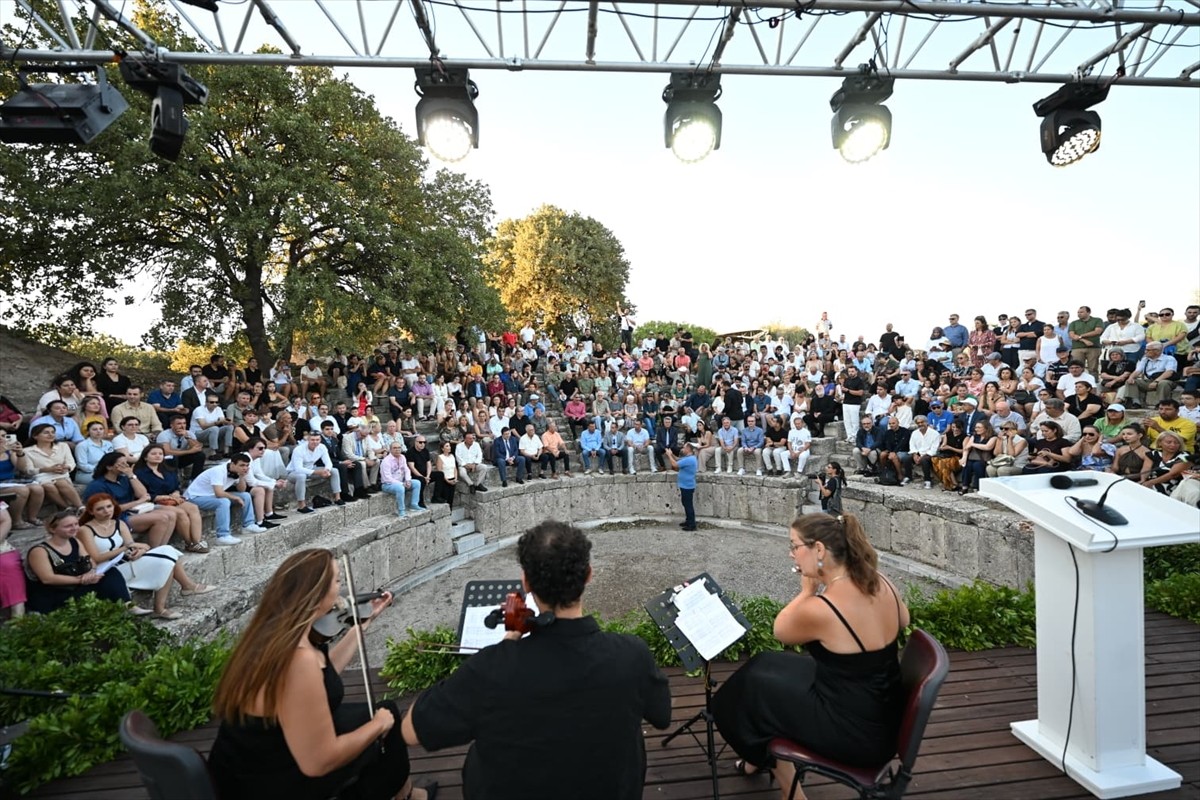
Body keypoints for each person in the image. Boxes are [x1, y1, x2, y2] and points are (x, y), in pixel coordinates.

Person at [401, 520, 671, 799]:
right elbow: (662, 717)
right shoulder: (631, 655)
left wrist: (510, 639)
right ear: (588, 575)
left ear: (526, 583)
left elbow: (411, 731)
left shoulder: (493, 669)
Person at [208, 549, 429, 800]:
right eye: (336, 581)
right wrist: (379, 724)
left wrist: (360, 626)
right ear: (316, 593)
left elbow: (323, 674)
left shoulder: (275, 634)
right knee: (386, 723)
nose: (341, 590)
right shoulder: (297, 660)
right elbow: (318, 762)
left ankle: (406, 794)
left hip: (253, 757)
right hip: (268, 782)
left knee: (383, 711)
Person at [712, 513, 909, 791]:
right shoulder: (879, 580)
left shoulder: (823, 609)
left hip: (856, 732)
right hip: (882, 711)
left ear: (818, 549)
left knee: (753, 698)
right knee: (764, 665)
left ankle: (788, 789)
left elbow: (780, 630)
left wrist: (807, 592)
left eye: (795, 546)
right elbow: (905, 620)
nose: (791, 554)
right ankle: (757, 759)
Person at [76, 493, 212, 620]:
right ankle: (183, 589)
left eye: (109, 506)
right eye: (100, 509)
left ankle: (162, 605)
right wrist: (125, 549)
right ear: (91, 511)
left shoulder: (119, 523)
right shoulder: (85, 530)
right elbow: (97, 557)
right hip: (107, 572)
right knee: (166, 558)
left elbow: (132, 544)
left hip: (124, 562)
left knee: (168, 553)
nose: (106, 511)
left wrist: (139, 550)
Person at [24, 508, 131, 614]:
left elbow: (90, 561)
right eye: (68, 526)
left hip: (74, 586)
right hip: (54, 593)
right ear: (52, 529)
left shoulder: (74, 541)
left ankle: (128, 605)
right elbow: (48, 579)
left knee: (111, 573)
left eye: (76, 524)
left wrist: (91, 572)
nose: (74, 528)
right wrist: (80, 580)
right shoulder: (40, 551)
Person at [184, 454, 261, 545]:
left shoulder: (236, 472)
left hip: (211, 496)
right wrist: (235, 497)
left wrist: (242, 477)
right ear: (232, 464)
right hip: (195, 497)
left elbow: (241, 489)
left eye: (247, 465)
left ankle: (248, 525)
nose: (245, 468)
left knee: (245, 495)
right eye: (242, 465)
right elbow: (219, 493)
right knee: (223, 502)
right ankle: (222, 535)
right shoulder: (219, 471)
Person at [663, 440, 699, 531]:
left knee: (688, 505)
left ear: (688, 449)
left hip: (687, 486)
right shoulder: (689, 458)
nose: (682, 449)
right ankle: (688, 520)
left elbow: (675, 464)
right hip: (685, 485)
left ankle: (692, 524)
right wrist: (672, 454)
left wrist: (669, 455)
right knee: (685, 503)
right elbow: (678, 460)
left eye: (684, 447)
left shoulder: (689, 459)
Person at [380, 442, 422, 517]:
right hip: (388, 485)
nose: (397, 450)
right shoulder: (386, 461)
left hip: (401, 482)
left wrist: (408, 480)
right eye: (395, 448)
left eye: (399, 448)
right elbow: (387, 478)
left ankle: (414, 504)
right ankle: (401, 510)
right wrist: (402, 484)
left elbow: (407, 470)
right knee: (400, 488)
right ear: (390, 450)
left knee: (417, 483)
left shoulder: (402, 457)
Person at [431, 441, 458, 508]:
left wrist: (455, 478)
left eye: (449, 446)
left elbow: (455, 468)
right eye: (447, 446)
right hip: (445, 480)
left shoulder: (452, 456)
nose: (449, 447)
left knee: (451, 499)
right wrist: (448, 481)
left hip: (452, 479)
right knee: (446, 498)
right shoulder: (440, 457)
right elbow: (439, 470)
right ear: (442, 449)